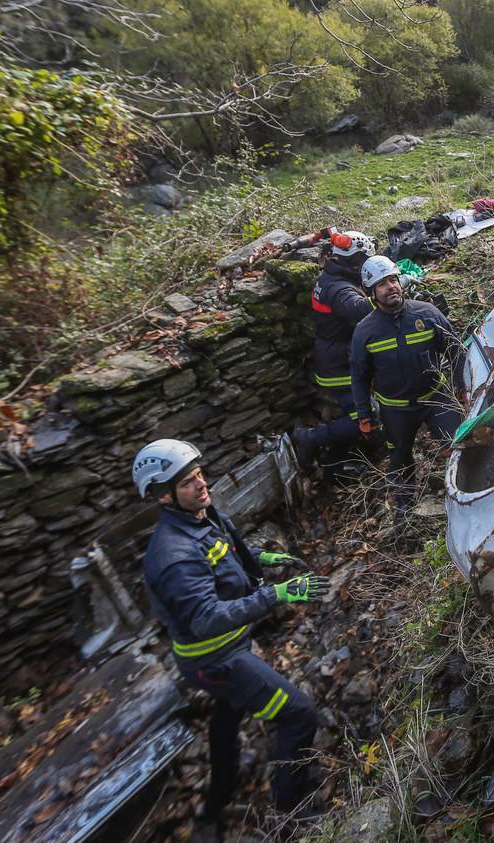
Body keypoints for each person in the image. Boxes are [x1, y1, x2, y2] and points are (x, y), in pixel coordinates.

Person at [135, 439, 330, 835]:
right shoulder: (172, 556)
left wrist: (264, 560)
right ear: (163, 496)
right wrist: (275, 594)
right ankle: (289, 812)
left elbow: (228, 556)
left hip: (229, 648)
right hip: (216, 660)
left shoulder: (200, 515)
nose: (202, 484)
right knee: (298, 714)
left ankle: (217, 796)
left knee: (229, 711)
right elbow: (206, 619)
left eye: (199, 474)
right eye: (188, 482)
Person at [348, 255, 466, 512]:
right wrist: (364, 414)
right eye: (381, 284)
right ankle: (405, 509)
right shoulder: (365, 331)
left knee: (459, 446)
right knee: (400, 458)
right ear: (371, 293)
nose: (390, 286)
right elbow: (359, 375)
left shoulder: (427, 313)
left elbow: (456, 351)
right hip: (395, 410)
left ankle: (467, 495)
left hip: (436, 398)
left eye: (392, 280)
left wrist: (462, 385)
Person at [290, 230, 375, 469]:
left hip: (335, 356)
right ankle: (310, 439)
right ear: (355, 260)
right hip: (340, 366)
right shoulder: (339, 288)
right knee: (368, 417)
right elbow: (358, 309)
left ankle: (334, 459)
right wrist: (392, 290)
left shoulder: (333, 275)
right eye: (364, 261)